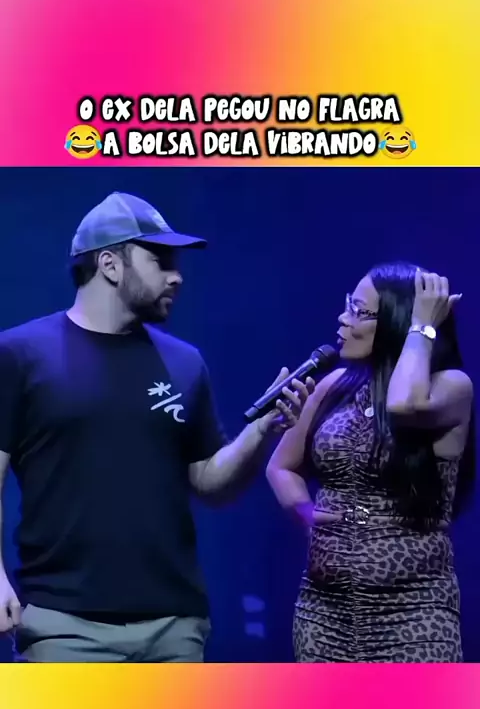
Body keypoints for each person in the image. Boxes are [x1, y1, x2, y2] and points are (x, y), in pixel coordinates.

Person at [0, 191, 314, 663]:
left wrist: (260, 430)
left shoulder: (184, 362)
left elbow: (209, 483)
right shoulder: (20, 354)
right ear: (110, 264)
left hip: (175, 628)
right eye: (160, 259)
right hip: (65, 626)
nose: (177, 276)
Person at [267, 263, 475, 663]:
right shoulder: (335, 386)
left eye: (359, 311)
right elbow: (282, 466)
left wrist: (422, 326)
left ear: (398, 320)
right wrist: (304, 511)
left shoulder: (450, 387)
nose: (343, 319)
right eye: (348, 305)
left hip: (413, 615)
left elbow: (403, 405)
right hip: (323, 614)